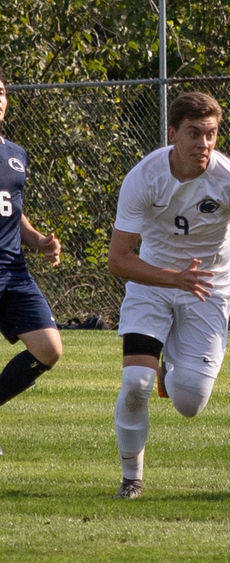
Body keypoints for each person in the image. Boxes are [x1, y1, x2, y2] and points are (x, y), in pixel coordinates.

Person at [108, 91, 230, 498]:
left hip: (210, 287)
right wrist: (172, 278)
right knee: (135, 383)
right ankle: (132, 477)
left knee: (189, 403)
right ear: (173, 133)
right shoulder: (144, 177)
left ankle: (172, 372)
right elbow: (119, 259)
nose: (204, 144)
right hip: (153, 281)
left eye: (211, 135)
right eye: (195, 134)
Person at [0, 68, 64, 456]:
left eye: (2, 92)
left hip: (13, 270)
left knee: (49, 349)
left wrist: (39, 240)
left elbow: (13, 211)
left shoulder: (15, 155)